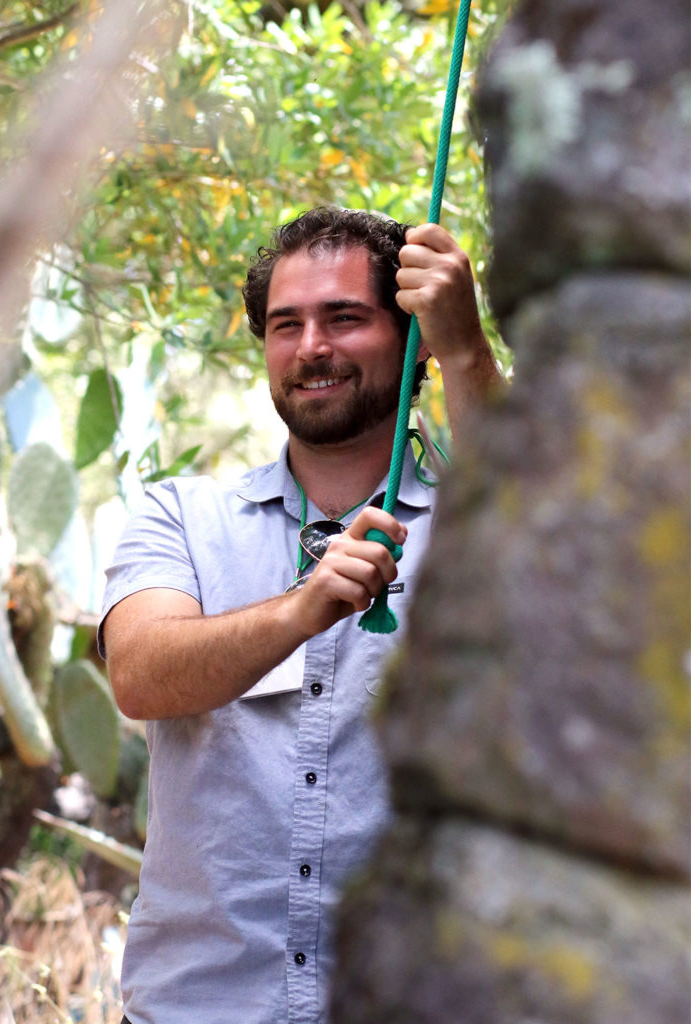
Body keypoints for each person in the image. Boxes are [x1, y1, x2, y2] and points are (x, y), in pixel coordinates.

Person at [99, 207, 502, 1024]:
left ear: (411, 339)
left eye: (345, 318)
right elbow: (140, 676)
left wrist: (465, 348)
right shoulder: (180, 516)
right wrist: (303, 607)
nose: (311, 347)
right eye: (286, 325)